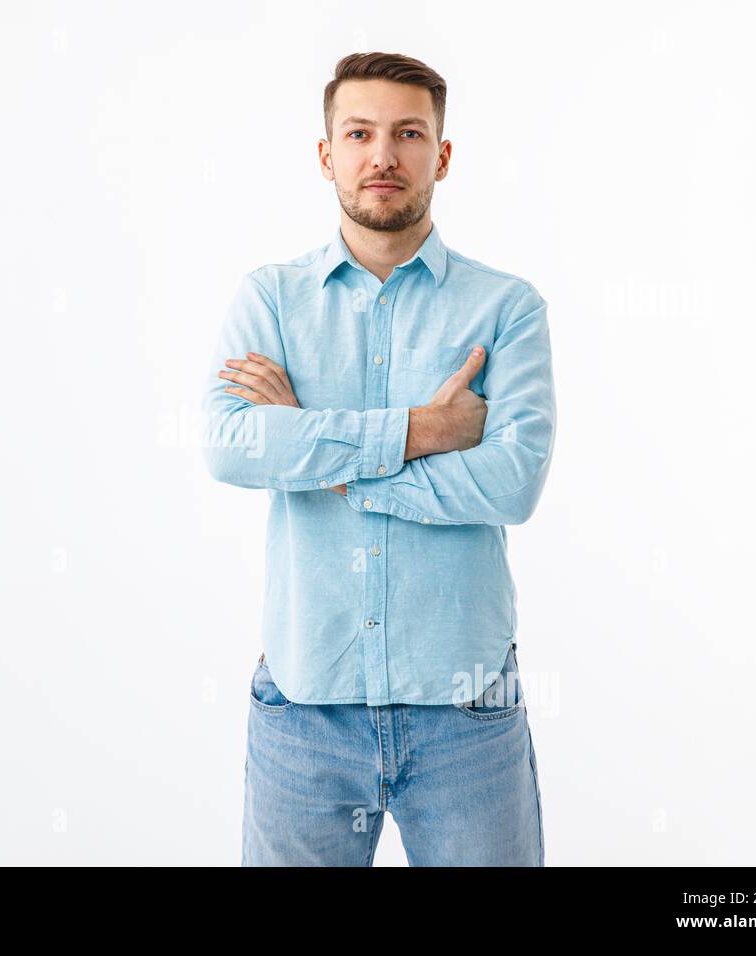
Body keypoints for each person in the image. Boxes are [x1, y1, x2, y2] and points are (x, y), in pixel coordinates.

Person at [201, 52, 557, 866]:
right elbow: (228, 446)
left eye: (408, 133)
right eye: (359, 133)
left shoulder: (506, 309)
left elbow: (513, 480)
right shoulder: (270, 300)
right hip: (305, 705)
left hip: (465, 706)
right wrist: (422, 431)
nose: (382, 156)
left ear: (443, 155)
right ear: (327, 155)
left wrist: (314, 446)